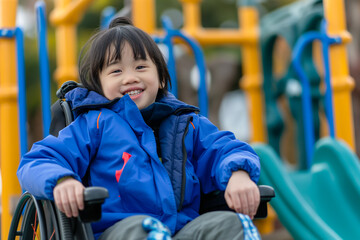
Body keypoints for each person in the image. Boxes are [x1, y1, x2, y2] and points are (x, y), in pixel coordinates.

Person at [17, 17, 261, 240]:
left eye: (141, 67)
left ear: (161, 78)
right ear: (99, 85)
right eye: (116, 71)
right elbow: (36, 161)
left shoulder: (186, 124)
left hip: (181, 230)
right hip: (118, 232)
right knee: (144, 229)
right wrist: (62, 180)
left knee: (232, 224)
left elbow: (225, 148)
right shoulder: (94, 124)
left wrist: (238, 173)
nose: (130, 77)